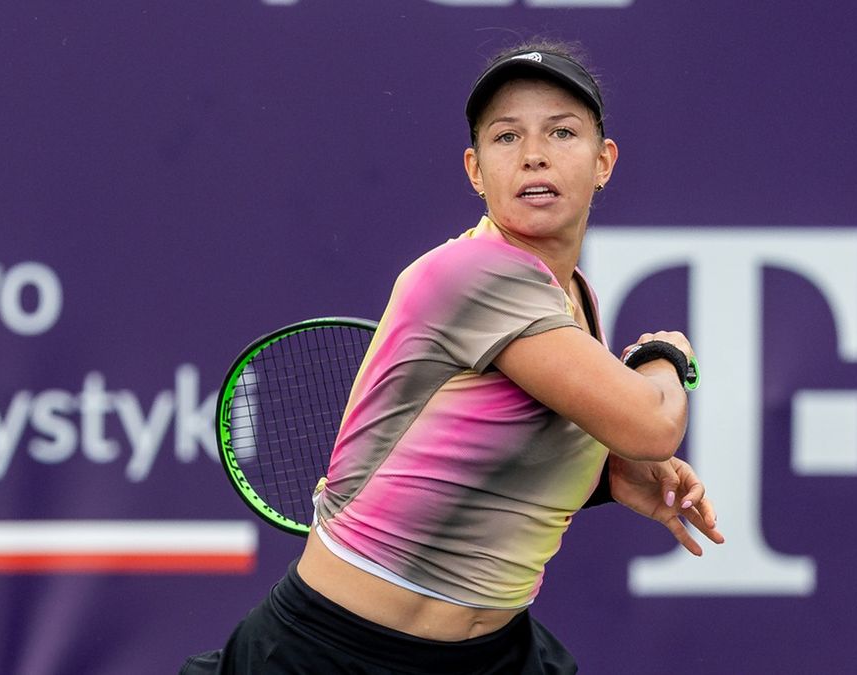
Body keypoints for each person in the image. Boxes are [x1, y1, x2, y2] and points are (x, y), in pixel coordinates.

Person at [182, 39, 725, 675]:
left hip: (490, 653)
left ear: (604, 161)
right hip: (332, 654)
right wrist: (665, 356)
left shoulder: (574, 296)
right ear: (475, 170)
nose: (534, 155)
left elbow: (470, 450)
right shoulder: (476, 274)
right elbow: (651, 425)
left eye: (561, 132)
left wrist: (605, 477)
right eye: (505, 137)